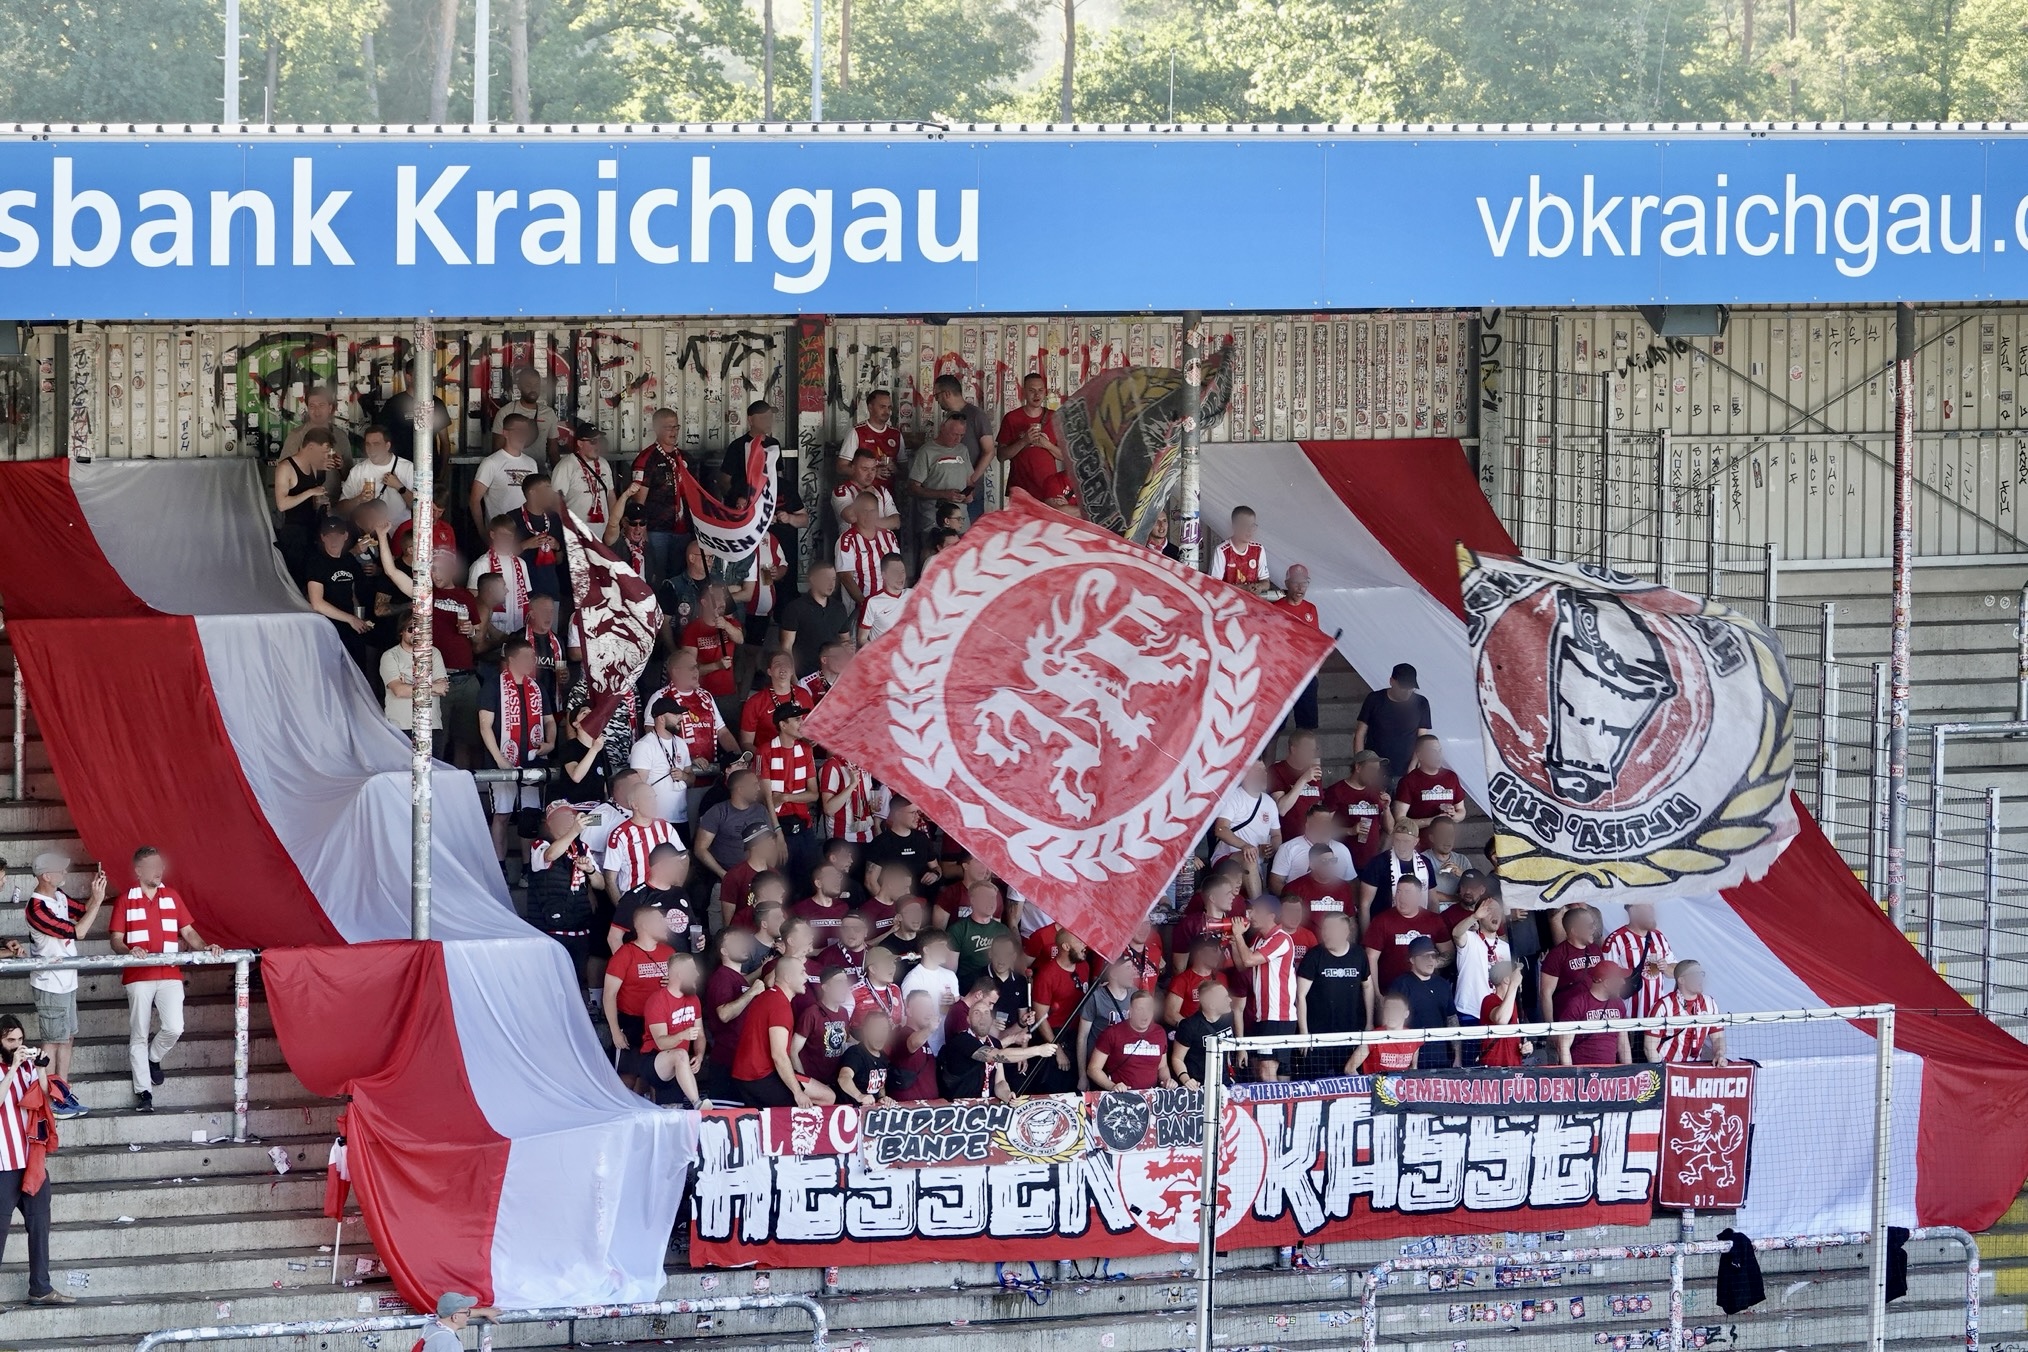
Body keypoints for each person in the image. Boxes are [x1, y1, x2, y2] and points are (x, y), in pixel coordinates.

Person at [107, 848, 216, 1112]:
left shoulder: (173, 896)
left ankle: (153, 1058)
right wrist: (130, 950)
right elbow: (115, 940)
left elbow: (189, 932)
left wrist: (206, 946)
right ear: (138, 870)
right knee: (139, 1034)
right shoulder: (125, 899)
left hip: (170, 972)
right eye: (153, 865)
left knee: (174, 1027)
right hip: (138, 975)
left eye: (160, 865)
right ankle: (144, 1093)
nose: (158, 870)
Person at [24, 853, 105, 1118]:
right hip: (49, 983)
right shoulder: (36, 908)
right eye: (60, 871)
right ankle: (50, 1099)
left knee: (68, 1038)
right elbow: (78, 931)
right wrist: (98, 902)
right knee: (52, 1041)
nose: (64, 875)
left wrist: (96, 893)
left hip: (67, 979)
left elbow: (82, 911)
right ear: (47, 876)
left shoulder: (58, 896)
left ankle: (63, 1092)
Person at [0, 1014, 69, 1304]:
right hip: (3, 1164)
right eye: (10, 1040)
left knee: (40, 1225)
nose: (17, 1045)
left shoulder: (28, 1063)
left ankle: (40, 1287)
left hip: (31, 1160)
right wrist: (13, 1068)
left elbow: (44, 1097)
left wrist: (41, 1068)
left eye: (20, 1039)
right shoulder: (10, 1066)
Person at [478, 637, 553, 859]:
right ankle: (500, 866)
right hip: (502, 759)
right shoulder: (493, 685)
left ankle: (528, 868)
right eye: (526, 658)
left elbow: (549, 720)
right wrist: (500, 760)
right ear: (511, 659)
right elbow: (485, 726)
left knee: (529, 816)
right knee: (502, 814)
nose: (531, 662)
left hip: (532, 758)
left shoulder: (537, 687)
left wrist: (549, 743)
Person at [732, 956, 837, 1107]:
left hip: (750, 1075)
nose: (807, 977)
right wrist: (798, 1093)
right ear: (788, 977)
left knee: (825, 1095)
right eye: (802, 973)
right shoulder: (779, 1004)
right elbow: (779, 1055)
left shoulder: (770, 996)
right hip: (760, 1077)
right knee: (827, 1097)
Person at [528, 804, 607, 999]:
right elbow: (550, 855)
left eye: (570, 819)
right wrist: (574, 831)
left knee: (578, 981)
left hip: (580, 925)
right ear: (550, 823)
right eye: (562, 819)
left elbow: (600, 884)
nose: (567, 823)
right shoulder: (540, 844)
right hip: (551, 928)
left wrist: (590, 871)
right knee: (552, 983)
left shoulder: (582, 847)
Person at [1230, 896, 1298, 1080]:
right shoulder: (1260, 938)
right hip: (1266, 1015)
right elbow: (1242, 965)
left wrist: (1238, 935)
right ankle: (1284, 1107)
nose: (1251, 915)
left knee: (1266, 1070)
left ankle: (1275, 1108)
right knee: (1277, 1072)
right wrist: (1234, 942)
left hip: (1278, 1015)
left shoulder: (1281, 938)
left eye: (1256, 911)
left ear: (1271, 916)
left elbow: (1249, 959)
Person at [941, 997, 1055, 1100]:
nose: (982, 1017)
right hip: (960, 1111)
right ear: (968, 1020)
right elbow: (997, 1055)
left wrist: (1007, 1095)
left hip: (986, 1110)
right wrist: (1038, 1050)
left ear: (991, 1019)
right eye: (977, 1013)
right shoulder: (962, 1040)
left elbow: (1000, 1081)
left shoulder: (994, 1042)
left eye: (986, 1013)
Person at [1297, 911, 1371, 1063]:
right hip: (1318, 1036)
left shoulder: (1359, 954)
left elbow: (1368, 987)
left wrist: (1369, 1022)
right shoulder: (1313, 956)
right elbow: (1300, 995)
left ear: (1346, 932)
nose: (1326, 934)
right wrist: (1304, 1032)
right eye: (1325, 929)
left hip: (1350, 1032)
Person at [760, 704, 821, 886]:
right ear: (783, 725)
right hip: (777, 825)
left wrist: (787, 797)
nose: (802, 723)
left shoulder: (806, 749)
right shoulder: (765, 751)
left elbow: (814, 795)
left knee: (810, 878)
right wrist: (777, 833)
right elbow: (767, 799)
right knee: (782, 881)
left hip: (804, 824)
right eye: (797, 720)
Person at [700, 929, 764, 1100]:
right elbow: (724, 1014)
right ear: (724, 951)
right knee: (726, 1114)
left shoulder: (736, 977)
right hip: (727, 1059)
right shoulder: (722, 977)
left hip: (739, 1058)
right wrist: (752, 992)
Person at [1363, 876, 1452, 998]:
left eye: (1408, 892)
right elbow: (1371, 957)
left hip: (1426, 993)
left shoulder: (1434, 920)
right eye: (1398, 892)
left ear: (1419, 896)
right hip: (1392, 995)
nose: (1402, 897)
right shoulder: (1381, 920)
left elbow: (1449, 952)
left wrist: (1431, 963)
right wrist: (1377, 994)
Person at [304, 516, 374, 671]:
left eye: (337, 535)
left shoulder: (349, 559)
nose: (333, 540)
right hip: (327, 627)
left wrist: (359, 617)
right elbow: (316, 603)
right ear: (323, 537)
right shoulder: (316, 562)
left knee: (358, 669)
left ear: (345, 536)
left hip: (351, 626)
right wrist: (351, 619)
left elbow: (355, 591)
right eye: (329, 536)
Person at [630, 408, 692, 580]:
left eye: (676, 427)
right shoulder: (647, 459)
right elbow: (638, 502)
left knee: (680, 577)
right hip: (657, 530)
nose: (673, 431)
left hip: (683, 529)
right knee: (657, 576)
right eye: (668, 427)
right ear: (656, 429)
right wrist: (641, 529)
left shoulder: (685, 457)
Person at [1450, 893, 1510, 1066]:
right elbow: (1456, 932)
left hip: (1496, 1014)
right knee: (1470, 1067)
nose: (1494, 915)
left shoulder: (1506, 947)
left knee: (1492, 1065)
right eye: (1489, 911)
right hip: (1470, 1012)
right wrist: (1474, 916)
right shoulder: (1470, 939)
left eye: (1498, 911)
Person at [637, 953, 705, 1108]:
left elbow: (700, 1034)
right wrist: (682, 1035)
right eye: (693, 970)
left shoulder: (693, 999)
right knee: (680, 1055)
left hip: (679, 1063)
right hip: (653, 1059)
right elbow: (661, 1042)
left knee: (673, 1110)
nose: (697, 974)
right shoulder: (657, 1000)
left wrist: (699, 1055)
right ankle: (698, 1104)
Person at [601, 774, 685, 897]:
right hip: (636, 901)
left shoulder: (665, 827)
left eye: (654, 798)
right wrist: (622, 910)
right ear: (634, 805)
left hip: (665, 898)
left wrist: (677, 890)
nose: (654, 803)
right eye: (648, 799)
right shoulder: (620, 835)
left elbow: (683, 858)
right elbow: (610, 879)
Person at [274, 427, 340, 582]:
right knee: (297, 578)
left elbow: (315, 497)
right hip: (294, 533)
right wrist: (311, 492)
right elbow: (282, 504)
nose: (325, 456)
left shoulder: (315, 466)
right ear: (310, 448)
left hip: (315, 529)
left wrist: (323, 504)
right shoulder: (285, 467)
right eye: (323, 452)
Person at [1355, 664, 1434, 791]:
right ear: (1392, 681)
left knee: (1403, 808)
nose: (1407, 692)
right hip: (1375, 768)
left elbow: (1423, 738)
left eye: (1411, 689)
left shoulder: (1421, 703)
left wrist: (1413, 765)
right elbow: (1360, 734)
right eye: (1403, 688)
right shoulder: (1374, 699)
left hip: (1406, 768)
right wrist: (1360, 763)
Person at [932, 373, 996, 522]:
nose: (936, 400)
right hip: (948, 493)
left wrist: (971, 481)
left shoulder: (976, 415)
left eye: (937, 395)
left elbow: (989, 451)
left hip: (970, 494)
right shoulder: (948, 417)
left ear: (947, 393)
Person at [1356, 819, 1440, 929]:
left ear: (1416, 841)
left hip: (1418, 924)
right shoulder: (1378, 863)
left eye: (1406, 842)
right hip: (1384, 927)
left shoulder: (1425, 863)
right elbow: (1364, 905)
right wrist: (1365, 937)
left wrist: (1436, 929)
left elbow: (1432, 900)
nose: (1401, 846)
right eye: (1398, 841)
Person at [906, 412, 978, 541]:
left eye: (962, 435)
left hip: (960, 521)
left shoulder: (962, 450)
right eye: (954, 434)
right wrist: (943, 494)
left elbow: (970, 481)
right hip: (934, 521)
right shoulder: (926, 451)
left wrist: (969, 495)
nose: (958, 440)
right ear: (943, 428)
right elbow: (913, 488)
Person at [1388, 936, 1458, 1069]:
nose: (1430, 960)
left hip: (1441, 1058)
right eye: (1425, 956)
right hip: (1409, 1059)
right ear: (1412, 960)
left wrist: (1457, 1056)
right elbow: (1391, 1023)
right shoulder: (1400, 985)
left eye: (1433, 956)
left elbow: (1452, 1019)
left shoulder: (1442, 984)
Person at [1604, 902, 1677, 1026]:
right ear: (1633, 910)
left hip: (1657, 1016)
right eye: (1647, 906)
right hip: (1628, 1017)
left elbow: (1675, 971)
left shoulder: (1659, 937)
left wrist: (1666, 967)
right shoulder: (1616, 939)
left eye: (1651, 906)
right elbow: (1607, 979)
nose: (1652, 910)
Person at [997, 373, 1067, 502]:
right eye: (1032, 390)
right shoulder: (1011, 418)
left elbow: (1065, 456)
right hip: (1021, 490)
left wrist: (1047, 444)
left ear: (1045, 392)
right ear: (1023, 393)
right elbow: (1001, 456)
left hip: (1048, 490)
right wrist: (1024, 441)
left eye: (1040, 390)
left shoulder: (1054, 417)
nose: (1037, 395)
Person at [776, 564, 854, 678]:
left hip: (833, 674)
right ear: (813, 580)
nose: (831, 584)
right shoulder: (795, 608)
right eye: (826, 578)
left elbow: (845, 641)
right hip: (804, 675)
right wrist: (793, 679)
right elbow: (786, 647)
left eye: (833, 579)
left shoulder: (839, 608)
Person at [1323, 749, 1392, 872]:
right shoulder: (1337, 791)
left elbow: (1390, 829)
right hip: (1344, 860)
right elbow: (1322, 828)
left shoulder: (1376, 791)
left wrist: (1386, 808)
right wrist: (1350, 830)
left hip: (1371, 860)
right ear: (1358, 767)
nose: (1375, 774)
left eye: (1376, 770)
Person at [1086, 992, 1173, 1091]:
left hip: (1150, 1097)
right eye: (1140, 1009)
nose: (1145, 1014)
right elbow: (1093, 1069)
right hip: (1122, 1096)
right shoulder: (1112, 1033)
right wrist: (1112, 1086)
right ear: (1130, 1011)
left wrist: (1167, 1081)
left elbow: (1162, 1066)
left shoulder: (1160, 1032)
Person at [471, 416, 542, 535]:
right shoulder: (491, 462)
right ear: (505, 433)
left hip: (528, 532)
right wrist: (483, 532)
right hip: (501, 535)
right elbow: (474, 500)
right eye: (518, 431)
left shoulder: (531, 463)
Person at [1393, 733, 1468, 846]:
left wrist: (1453, 815)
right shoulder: (1408, 781)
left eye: (1439, 751)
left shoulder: (1451, 777)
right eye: (1433, 751)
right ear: (1420, 755)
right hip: (1419, 845)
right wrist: (1432, 821)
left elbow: (1461, 811)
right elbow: (1400, 819)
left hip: (1445, 844)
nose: (1438, 755)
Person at [1648, 960, 1726, 1065]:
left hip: (1693, 1068)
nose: (1699, 979)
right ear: (1681, 980)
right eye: (1694, 975)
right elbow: (1649, 1047)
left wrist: (1719, 1054)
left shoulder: (1710, 1003)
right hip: (1668, 1067)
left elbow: (1718, 1037)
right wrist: (1660, 1071)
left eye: (1700, 974)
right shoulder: (1664, 1005)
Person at [1209, 759, 1280, 875]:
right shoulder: (1233, 797)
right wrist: (1244, 846)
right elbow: (1220, 829)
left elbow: (1276, 835)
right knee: (1249, 858)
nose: (1264, 774)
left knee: (1252, 860)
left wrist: (1272, 848)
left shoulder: (1270, 802)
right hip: (1226, 859)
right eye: (1258, 770)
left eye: (1264, 770)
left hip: (1257, 864)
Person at [1274, 564, 1324, 728]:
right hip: (1283, 675)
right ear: (1287, 583)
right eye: (1296, 582)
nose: (1300, 587)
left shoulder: (1311, 609)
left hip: (1306, 675)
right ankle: (1269, 755)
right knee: (1276, 728)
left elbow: (1314, 640)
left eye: (1304, 583)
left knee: (1307, 726)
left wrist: (1315, 670)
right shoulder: (1276, 609)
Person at [1556, 962, 1632, 1067]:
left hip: (1610, 1075)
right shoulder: (1577, 1004)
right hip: (1583, 1075)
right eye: (1619, 978)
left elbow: (1623, 1043)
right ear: (1608, 983)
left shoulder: (1619, 1004)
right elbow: (1563, 1046)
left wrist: (1629, 1073)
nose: (1623, 982)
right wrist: (1572, 1076)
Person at [1540, 904, 1606, 1022]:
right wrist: (1550, 1027)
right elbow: (1546, 993)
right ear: (1575, 931)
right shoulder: (1557, 955)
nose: (1594, 930)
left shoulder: (1595, 949)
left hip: (1596, 1016)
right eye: (1590, 926)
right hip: (1569, 1019)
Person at [339, 425, 415, 525]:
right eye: (368, 444)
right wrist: (359, 499)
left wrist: (400, 487)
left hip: (399, 534)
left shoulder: (408, 468)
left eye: (376, 444)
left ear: (387, 446)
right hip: (369, 536)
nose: (371, 449)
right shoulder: (358, 471)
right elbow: (341, 509)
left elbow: (419, 508)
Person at [681, 585, 744, 704]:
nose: (722, 602)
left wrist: (725, 625)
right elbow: (688, 668)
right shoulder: (692, 629)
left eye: (722, 598)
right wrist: (717, 665)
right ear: (704, 602)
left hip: (728, 693)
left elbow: (740, 639)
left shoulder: (731, 623)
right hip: (701, 694)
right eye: (716, 598)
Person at [1268, 804, 1351, 892]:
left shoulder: (1342, 849)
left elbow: (1351, 882)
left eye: (1327, 822)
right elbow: (1275, 881)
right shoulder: (1289, 848)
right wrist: (1291, 901)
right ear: (1308, 825)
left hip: (1333, 901)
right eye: (1320, 822)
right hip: (1300, 900)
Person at [1169, 979, 1234, 1092]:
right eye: (1225, 998)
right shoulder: (1189, 1026)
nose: (1230, 1000)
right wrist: (1186, 1080)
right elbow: (1177, 1058)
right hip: (1199, 1086)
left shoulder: (1229, 1017)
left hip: (1223, 1082)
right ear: (1212, 1005)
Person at [899, 932, 962, 1045]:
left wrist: (952, 1004)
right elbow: (908, 1017)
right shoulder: (913, 979)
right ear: (926, 950)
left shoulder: (950, 975)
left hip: (947, 1042)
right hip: (924, 1044)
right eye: (941, 946)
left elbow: (957, 1012)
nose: (947, 950)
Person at [947, 883, 1012, 990]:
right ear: (973, 900)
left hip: (998, 988)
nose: (991, 902)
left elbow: (1010, 966)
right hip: (969, 987)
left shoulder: (1003, 930)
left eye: (993, 898)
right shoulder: (957, 930)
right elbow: (950, 971)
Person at [514, 474, 567, 605]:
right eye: (547, 489)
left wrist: (557, 546)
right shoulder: (512, 518)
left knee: (549, 625)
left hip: (550, 590)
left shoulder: (554, 518)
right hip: (522, 592)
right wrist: (525, 545)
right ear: (533, 493)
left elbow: (559, 559)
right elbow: (500, 556)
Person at [554, 424, 617, 527]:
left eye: (599, 441)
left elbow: (610, 495)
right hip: (577, 535)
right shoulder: (566, 466)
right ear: (580, 443)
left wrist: (613, 525)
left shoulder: (604, 463)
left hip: (602, 534)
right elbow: (555, 503)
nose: (597, 445)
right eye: (593, 442)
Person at [490, 363, 560, 457]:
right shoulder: (505, 413)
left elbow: (553, 452)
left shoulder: (549, 413)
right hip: (512, 470)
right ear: (519, 387)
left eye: (536, 385)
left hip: (538, 470)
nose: (533, 389)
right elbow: (497, 452)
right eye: (528, 385)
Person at [1268, 731, 1326, 842]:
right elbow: (1282, 809)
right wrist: (1303, 779)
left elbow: (1319, 803)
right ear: (1294, 750)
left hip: (1312, 839)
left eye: (1313, 750)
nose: (1311, 754)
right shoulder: (1276, 770)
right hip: (1288, 840)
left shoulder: (1313, 770)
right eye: (1307, 750)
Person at [1282, 844, 1356, 929]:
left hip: (1338, 939)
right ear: (1312, 865)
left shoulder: (1344, 887)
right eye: (1324, 862)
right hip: (1307, 940)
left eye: (1333, 861)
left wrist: (1350, 942)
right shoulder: (1294, 888)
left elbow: (1351, 922)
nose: (1330, 866)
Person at [838, 390, 903, 479]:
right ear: (870, 408)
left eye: (889, 407)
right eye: (882, 407)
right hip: (862, 491)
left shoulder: (896, 434)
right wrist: (872, 473)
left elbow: (905, 471)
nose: (887, 411)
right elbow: (841, 467)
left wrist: (896, 470)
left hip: (889, 492)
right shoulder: (857, 432)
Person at [1353, 994, 1425, 1074]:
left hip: (1400, 1085)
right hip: (1376, 1085)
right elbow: (1350, 1069)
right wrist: (1366, 1085)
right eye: (1388, 1010)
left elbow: (1413, 1068)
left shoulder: (1414, 1038)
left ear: (1406, 1014)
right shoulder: (1373, 1037)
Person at [835, 1010, 895, 1107]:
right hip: (850, 1113)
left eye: (884, 1029)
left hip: (870, 1115)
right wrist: (859, 1096)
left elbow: (880, 1087)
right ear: (866, 1031)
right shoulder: (855, 1053)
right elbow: (844, 1078)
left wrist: (882, 1098)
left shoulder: (884, 1058)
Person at [1476, 961, 1530, 1067]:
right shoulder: (1489, 1000)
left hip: (1514, 1069)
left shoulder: (1515, 1004)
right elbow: (1501, 1019)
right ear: (1506, 979)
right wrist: (1513, 985)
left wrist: (1526, 1048)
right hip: (1494, 1071)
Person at [831, 448, 901, 530]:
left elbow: (896, 522)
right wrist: (866, 496)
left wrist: (867, 523)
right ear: (853, 468)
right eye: (865, 469)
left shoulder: (882, 491)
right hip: (853, 542)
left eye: (873, 469)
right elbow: (851, 517)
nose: (870, 474)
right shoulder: (842, 491)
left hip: (881, 542)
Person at [1211, 505, 1270, 593]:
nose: (1249, 530)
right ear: (1234, 526)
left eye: (1252, 526)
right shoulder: (1222, 551)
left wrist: (1259, 587)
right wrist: (1244, 588)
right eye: (1245, 525)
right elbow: (1215, 585)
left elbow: (1266, 582)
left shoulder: (1258, 549)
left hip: (1251, 604)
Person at [857, 553, 910, 645]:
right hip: (886, 656)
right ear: (884, 575)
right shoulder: (872, 602)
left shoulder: (913, 594)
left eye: (902, 572)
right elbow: (862, 639)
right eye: (895, 572)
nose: (900, 577)